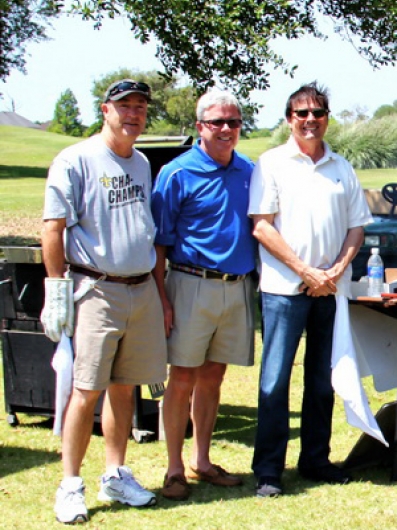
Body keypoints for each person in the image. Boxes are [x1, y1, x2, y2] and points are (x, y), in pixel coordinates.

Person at [42, 79, 167, 524]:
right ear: (105, 110)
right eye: (124, 107)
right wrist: (56, 289)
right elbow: (53, 228)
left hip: (140, 289)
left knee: (125, 387)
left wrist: (158, 290)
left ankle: (115, 474)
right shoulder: (75, 159)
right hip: (96, 289)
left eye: (140, 107)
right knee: (85, 389)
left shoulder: (142, 163)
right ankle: (70, 484)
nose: (133, 114)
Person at [247, 82, 373, 497]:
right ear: (289, 119)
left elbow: (357, 226)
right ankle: (269, 471)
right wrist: (305, 269)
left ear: (326, 119)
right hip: (285, 289)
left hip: (330, 290)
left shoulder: (341, 167)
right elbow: (262, 226)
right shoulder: (270, 164)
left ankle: (316, 460)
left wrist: (336, 270)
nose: (310, 120)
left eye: (317, 113)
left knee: (322, 380)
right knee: (274, 382)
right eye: (301, 114)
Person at [151, 90, 256, 501]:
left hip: (237, 287)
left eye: (233, 122)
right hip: (189, 283)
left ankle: (203, 460)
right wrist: (161, 298)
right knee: (182, 378)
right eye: (217, 122)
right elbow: (159, 243)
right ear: (200, 127)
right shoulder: (176, 174)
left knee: (214, 376)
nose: (226, 129)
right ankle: (174, 468)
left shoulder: (250, 171)